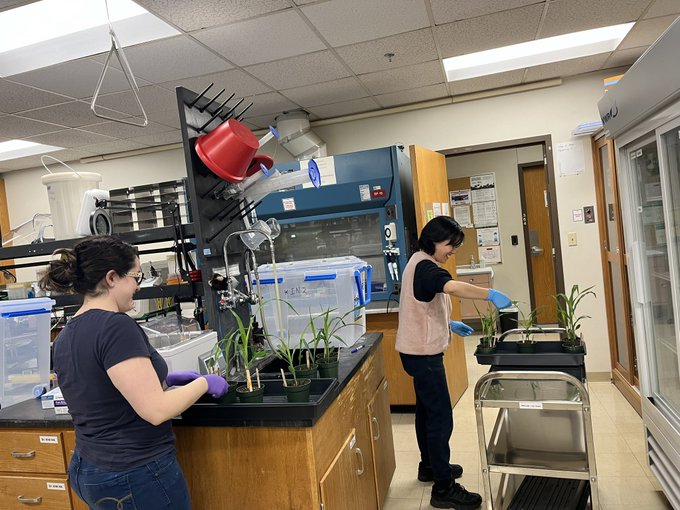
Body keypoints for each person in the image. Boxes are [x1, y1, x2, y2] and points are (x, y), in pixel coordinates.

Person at [40, 235, 228, 510]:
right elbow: (156, 410)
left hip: (88, 467)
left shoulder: (66, 334)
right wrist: (203, 383)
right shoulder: (116, 327)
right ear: (112, 278)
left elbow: (103, 388)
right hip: (134, 472)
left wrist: (164, 380)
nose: (138, 287)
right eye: (135, 277)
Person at [396, 216, 512, 510]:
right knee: (440, 417)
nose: (452, 251)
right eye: (450, 245)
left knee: (425, 412)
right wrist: (490, 295)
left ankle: (430, 467)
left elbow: (421, 307)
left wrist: (449, 323)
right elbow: (451, 287)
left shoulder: (417, 261)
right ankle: (443, 488)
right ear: (433, 239)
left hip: (414, 351)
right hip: (424, 356)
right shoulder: (426, 267)